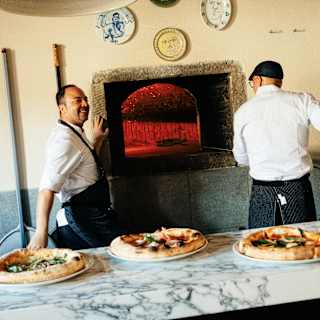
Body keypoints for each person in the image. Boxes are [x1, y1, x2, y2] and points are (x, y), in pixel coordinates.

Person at [28, 84, 125, 250]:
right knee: (118, 257)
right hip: (81, 218)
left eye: (85, 100)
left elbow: (87, 167)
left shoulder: (75, 134)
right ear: (62, 109)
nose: (85, 104)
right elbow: (47, 187)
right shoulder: (64, 140)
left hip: (93, 214)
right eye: (77, 100)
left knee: (116, 257)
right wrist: (40, 233)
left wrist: (97, 140)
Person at [233, 60, 320, 229]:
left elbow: (241, 158)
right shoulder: (302, 100)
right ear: (279, 81)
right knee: (303, 244)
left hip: (262, 191)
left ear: (257, 80)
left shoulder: (243, 111)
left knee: (262, 243)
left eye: (252, 83)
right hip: (298, 190)